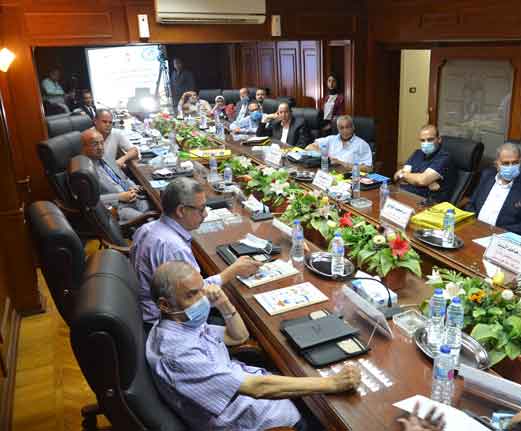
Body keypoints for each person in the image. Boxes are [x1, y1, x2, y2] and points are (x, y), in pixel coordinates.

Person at [146, 261, 361, 431]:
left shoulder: (179, 325)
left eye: (202, 289)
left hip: (256, 392)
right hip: (261, 421)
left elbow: (238, 337)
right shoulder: (177, 353)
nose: (202, 299)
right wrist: (332, 383)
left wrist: (223, 303)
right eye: (192, 295)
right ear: (165, 304)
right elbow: (257, 389)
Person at [131, 177, 262, 326]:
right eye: (201, 209)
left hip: (146, 309)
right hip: (170, 321)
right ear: (181, 211)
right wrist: (233, 271)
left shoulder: (146, 228)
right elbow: (195, 298)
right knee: (244, 321)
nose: (205, 214)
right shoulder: (174, 247)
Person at [465, 142, 521, 238]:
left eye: (515, 163)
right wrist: (474, 225)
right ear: (497, 164)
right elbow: (471, 204)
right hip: (474, 229)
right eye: (506, 163)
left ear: (520, 161)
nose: (511, 167)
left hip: (503, 238)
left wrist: (493, 231)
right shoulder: (487, 175)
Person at [79, 129, 151, 222]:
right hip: (118, 208)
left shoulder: (104, 156)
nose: (100, 147)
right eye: (95, 144)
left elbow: (123, 177)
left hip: (133, 196)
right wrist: (119, 196)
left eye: (102, 143)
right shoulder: (84, 172)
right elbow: (89, 202)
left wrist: (132, 186)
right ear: (83, 147)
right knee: (149, 221)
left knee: (160, 210)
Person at [393, 125, 451, 201]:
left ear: (439, 139)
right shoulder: (417, 153)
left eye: (430, 140)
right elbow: (397, 178)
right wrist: (419, 180)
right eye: (422, 140)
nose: (426, 143)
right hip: (404, 194)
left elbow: (422, 180)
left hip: (425, 201)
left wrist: (403, 175)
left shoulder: (444, 157)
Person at [306, 115, 373, 171]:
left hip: (349, 176)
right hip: (329, 174)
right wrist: (325, 156)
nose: (345, 131)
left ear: (353, 127)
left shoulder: (362, 144)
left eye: (347, 127)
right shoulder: (331, 139)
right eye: (341, 128)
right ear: (338, 129)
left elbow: (369, 168)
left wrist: (342, 163)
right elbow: (309, 147)